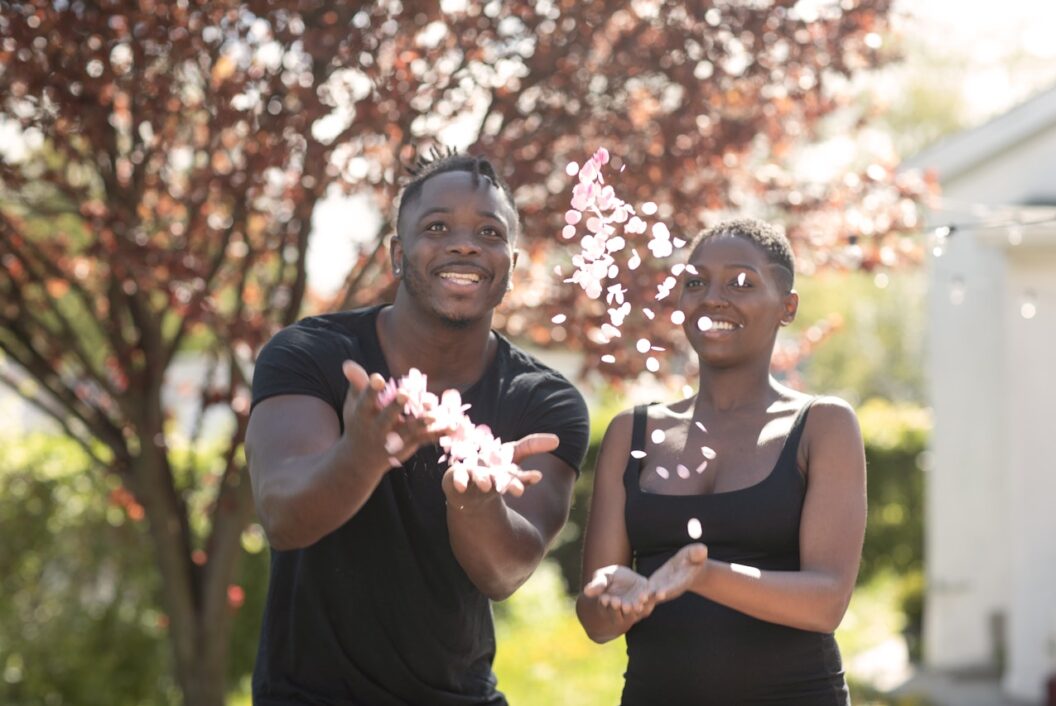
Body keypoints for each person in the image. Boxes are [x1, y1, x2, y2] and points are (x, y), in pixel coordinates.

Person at [246, 152, 590, 705]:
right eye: (437, 227)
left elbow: (505, 574)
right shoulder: (312, 355)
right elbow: (283, 516)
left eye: (488, 231)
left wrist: (476, 501)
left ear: (510, 262)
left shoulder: (543, 402)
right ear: (397, 255)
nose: (464, 244)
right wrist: (364, 453)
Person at [576, 218, 866, 705]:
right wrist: (616, 600)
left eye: (741, 282)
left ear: (787, 308)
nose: (713, 297)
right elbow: (594, 621)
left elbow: (827, 603)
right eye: (696, 282)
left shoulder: (823, 426)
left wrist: (705, 576)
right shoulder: (632, 433)